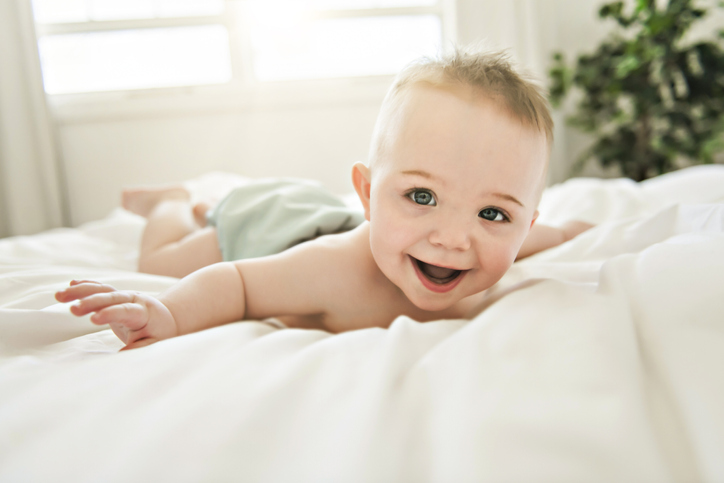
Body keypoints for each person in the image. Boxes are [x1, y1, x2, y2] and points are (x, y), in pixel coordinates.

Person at [56, 47, 592, 350]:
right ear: (366, 192)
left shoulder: (502, 246)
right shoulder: (331, 270)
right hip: (264, 225)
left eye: (493, 213)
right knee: (161, 259)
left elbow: (551, 235)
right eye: (421, 195)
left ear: (524, 226)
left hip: (319, 211)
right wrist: (168, 314)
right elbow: (238, 284)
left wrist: (576, 233)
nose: (453, 238)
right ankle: (175, 203)